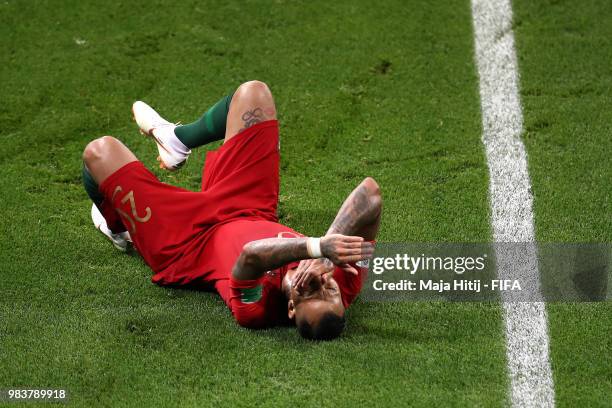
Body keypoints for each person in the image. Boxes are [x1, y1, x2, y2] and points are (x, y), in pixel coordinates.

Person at [82, 80, 382, 340]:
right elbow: (370, 194)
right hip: (248, 207)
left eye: (313, 293)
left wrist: (317, 248)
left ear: (291, 308)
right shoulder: (346, 280)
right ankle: (177, 139)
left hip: (186, 242)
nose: (324, 283)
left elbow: (250, 255)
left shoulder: (256, 310)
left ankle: (117, 226)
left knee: (100, 151)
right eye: (331, 292)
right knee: (254, 95)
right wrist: (328, 251)